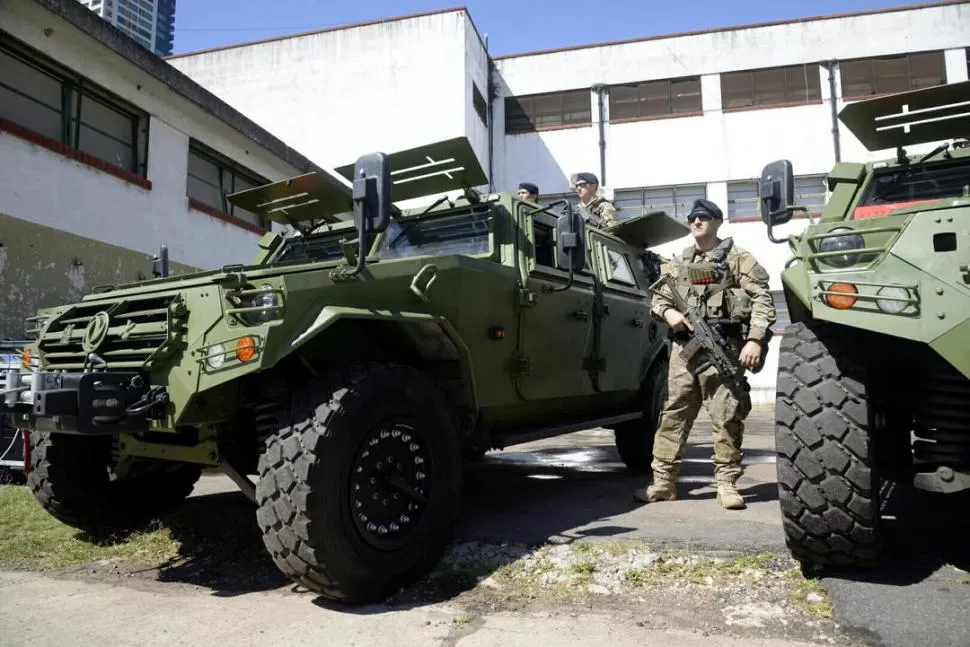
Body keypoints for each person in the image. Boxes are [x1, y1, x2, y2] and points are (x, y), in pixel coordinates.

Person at [633, 198, 776, 510]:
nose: (696, 222)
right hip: (684, 351)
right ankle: (663, 483)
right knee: (673, 415)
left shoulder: (739, 259)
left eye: (704, 217)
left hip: (725, 347)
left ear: (717, 222)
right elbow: (657, 297)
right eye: (692, 218)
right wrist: (668, 312)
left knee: (726, 416)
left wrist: (755, 339)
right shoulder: (678, 262)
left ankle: (726, 484)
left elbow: (763, 300)